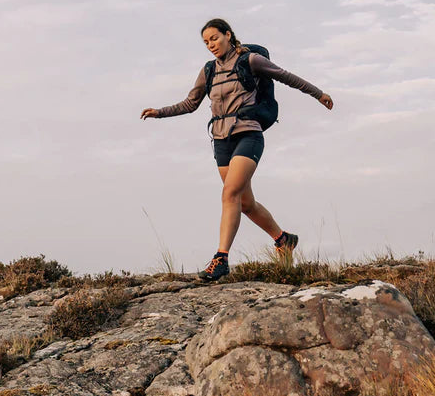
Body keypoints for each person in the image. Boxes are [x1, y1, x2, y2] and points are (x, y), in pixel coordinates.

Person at [141, 17, 333, 281]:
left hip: (248, 134)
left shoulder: (250, 60)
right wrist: (159, 113)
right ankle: (283, 239)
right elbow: (190, 103)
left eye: (215, 38)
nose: (211, 44)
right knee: (245, 203)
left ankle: (221, 258)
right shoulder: (208, 70)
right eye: (206, 41)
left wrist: (318, 93)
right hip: (221, 140)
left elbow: (286, 77)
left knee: (229, 192)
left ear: (228, 35)